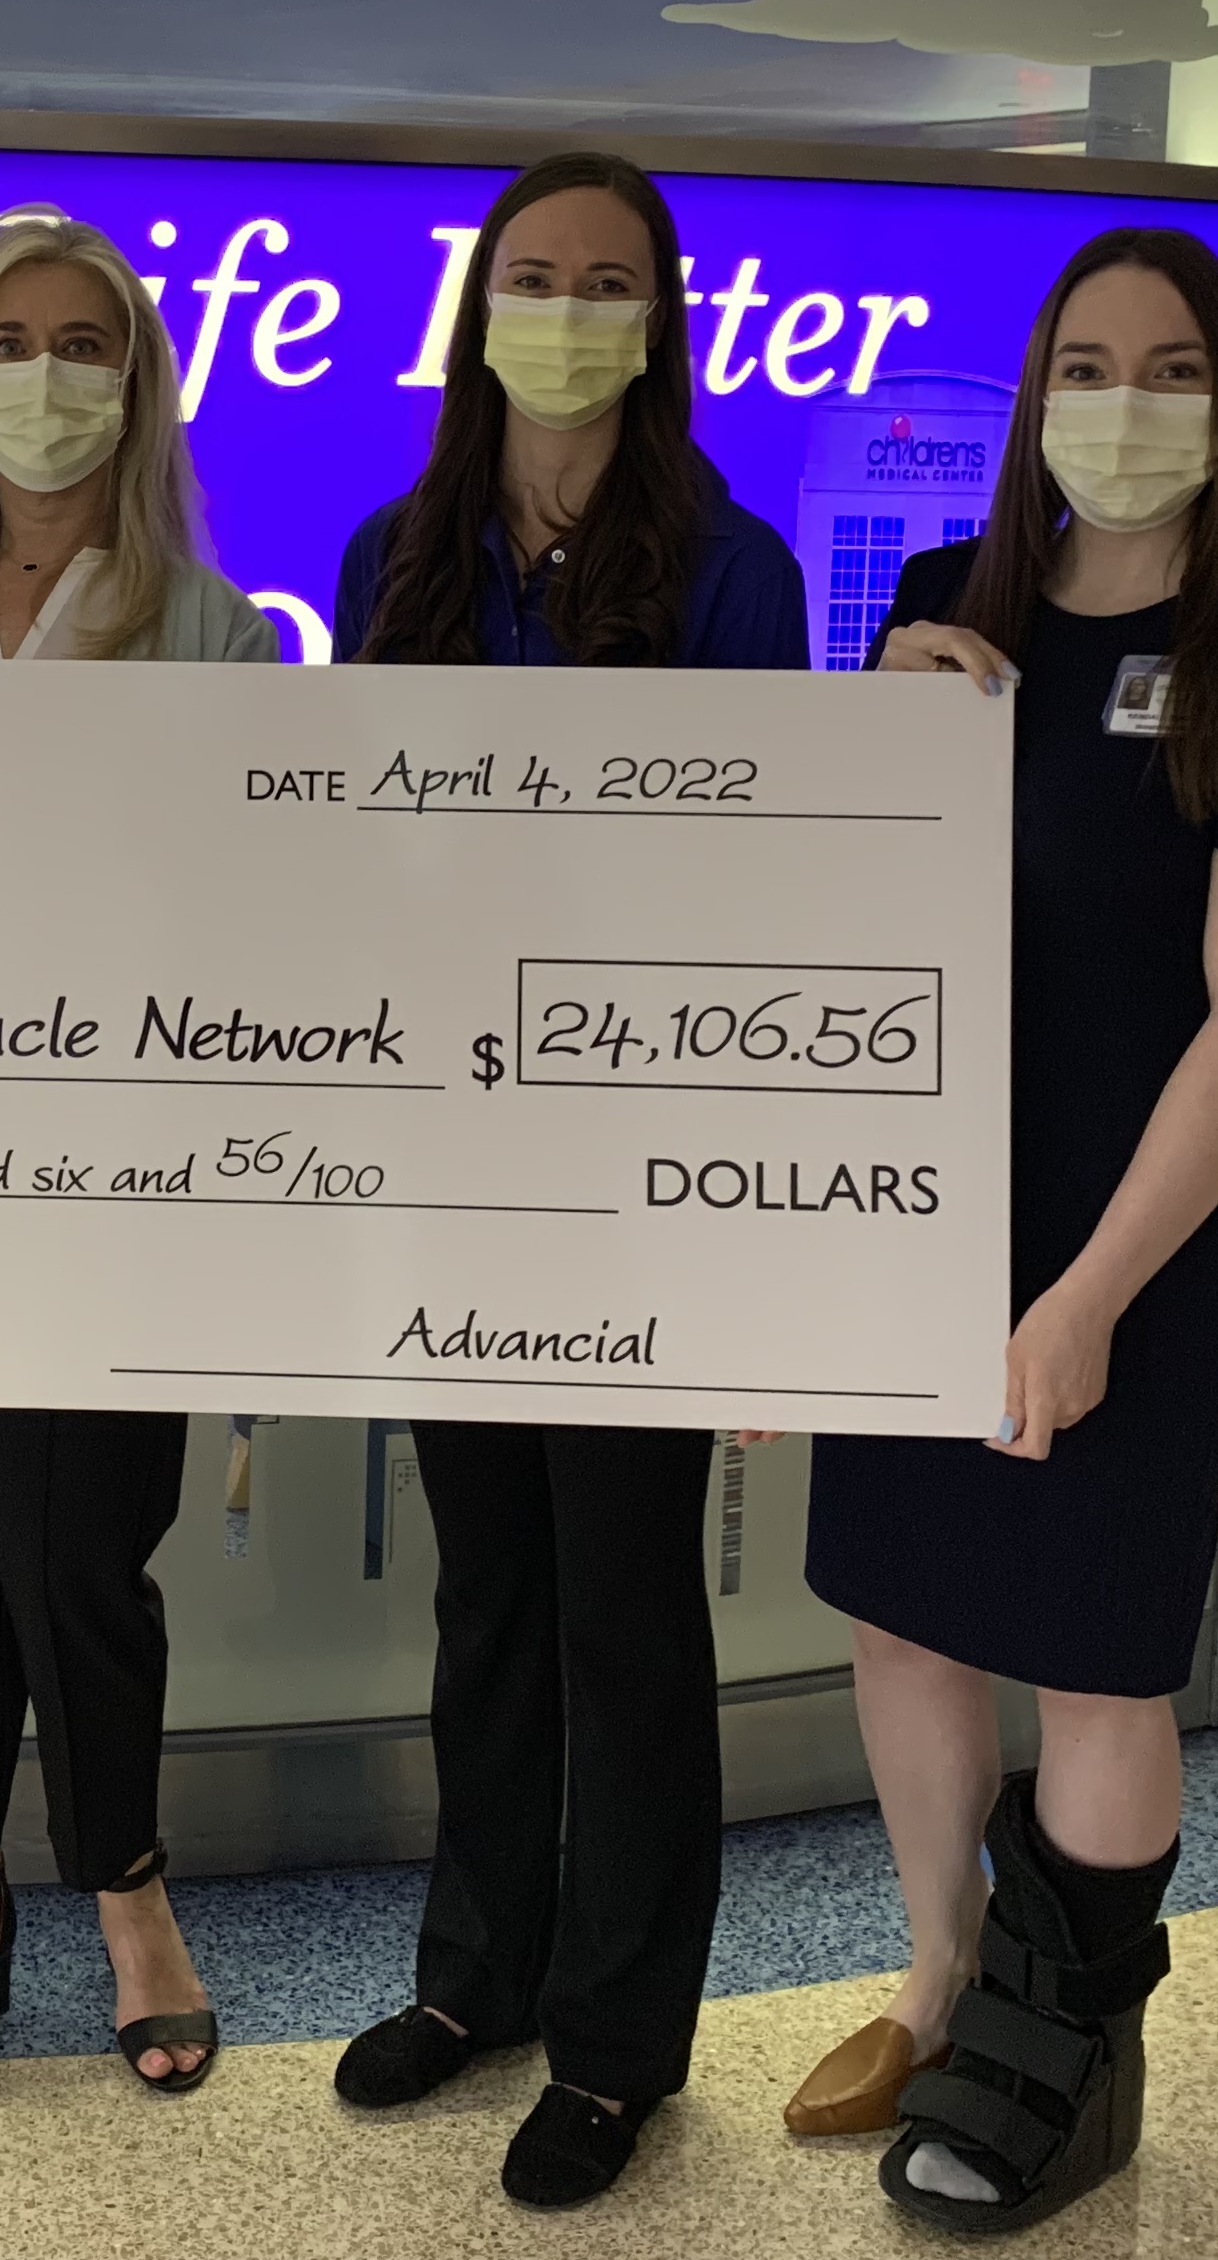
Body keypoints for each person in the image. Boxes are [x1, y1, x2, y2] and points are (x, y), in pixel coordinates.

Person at [790, 226, 1218, 2235]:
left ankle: (1066, 2050)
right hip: (923, 1210)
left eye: (1178, 370)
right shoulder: (959, 619)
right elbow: (843, 935)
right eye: (1093, 366)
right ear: (1037, 393)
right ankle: (943, 1987)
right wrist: (877, 716)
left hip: (1138, 1241)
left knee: (1100, 1659)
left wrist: (1090, 1294)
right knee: (905, 1611)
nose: (1128, 410)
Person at [323, 151, 804, 2211]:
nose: (570, 307)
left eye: (611, 281)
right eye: (536, 275)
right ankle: (476, 1980)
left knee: (623, 1606)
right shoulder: (393, 551)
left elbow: (752, 879)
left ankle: (617, 2043)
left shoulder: (732, 564)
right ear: (480, 307)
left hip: (626, 1166)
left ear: (661, 316)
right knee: (490, 1586)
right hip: (445, 1146)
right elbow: (350, 847)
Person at [0, 207, 277, 2113]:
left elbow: (260, 928)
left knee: (79, 1549)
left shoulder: (218, 632)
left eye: (84, 342)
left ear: (139, 386)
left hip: (120, 1187)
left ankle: (126, 1890)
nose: (45, 378)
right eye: (8, 342)